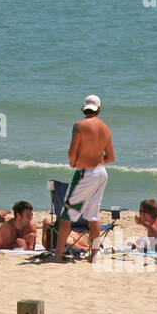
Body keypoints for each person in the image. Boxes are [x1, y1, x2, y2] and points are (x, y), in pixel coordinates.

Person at [53, 95, 115, 263]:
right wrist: (96, 158)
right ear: (99, 109)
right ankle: (94, 256)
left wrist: (75, 163)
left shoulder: (79, 126)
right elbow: (110, 157)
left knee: (66, 213)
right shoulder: (105, 128)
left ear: (84, 108)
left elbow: (72, 153)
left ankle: (58, 255)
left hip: (86, 173)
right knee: (93, 216)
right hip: (102, 172)